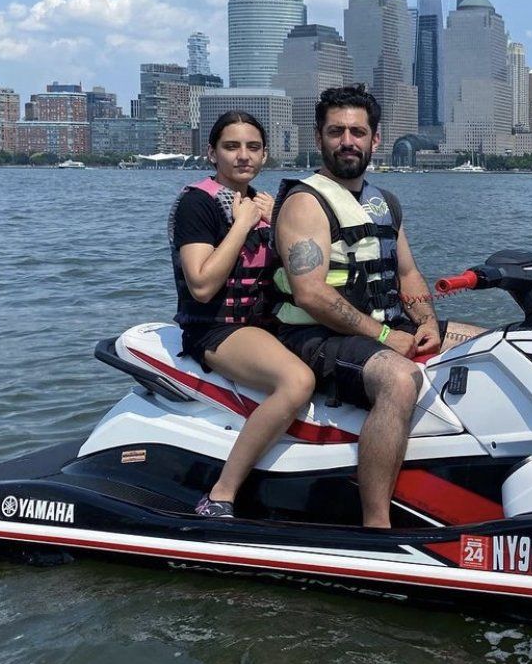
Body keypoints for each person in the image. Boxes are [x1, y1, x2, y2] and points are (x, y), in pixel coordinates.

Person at [271, 85, 483, 528]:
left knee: (491, 344)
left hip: (384, 326)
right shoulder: (305, 203)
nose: (347, 141)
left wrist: (426, 322)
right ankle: (377, 524)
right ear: (319, 138)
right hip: (315, 336)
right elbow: (310, 293)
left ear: (375, 139)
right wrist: (386, 336)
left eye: (358, 132)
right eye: (336, 132)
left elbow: (407, 274)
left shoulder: (383, 202)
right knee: (400, 380)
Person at [168, 111, 316, 518]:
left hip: (269, 323)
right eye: (231, 147)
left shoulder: (266, 205)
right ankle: (221, 494)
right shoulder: (196, 203)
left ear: (265, 155)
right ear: (212, 153)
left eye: (253, 147)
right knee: (297, 381)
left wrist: (279, 222)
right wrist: (242, 224)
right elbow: (201, 284)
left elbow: (303, 271)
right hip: (217, 328)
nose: (243, 156)